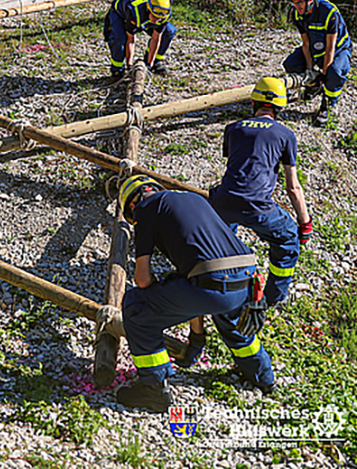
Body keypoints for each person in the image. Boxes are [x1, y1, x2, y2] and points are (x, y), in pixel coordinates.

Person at [115, 175, 274, 411]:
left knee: (136, 306)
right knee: (231, 319)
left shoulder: (146, 208)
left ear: (132, 205)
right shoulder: (192, 200)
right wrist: (196, 339)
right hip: (247, 280)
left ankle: (153, 389)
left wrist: (160, 286)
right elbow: (194, 279)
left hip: (212, 285)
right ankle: (263, 377)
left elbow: (143, 279)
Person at [209, 77, 312, 307]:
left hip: (223, 202)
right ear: (280, 108)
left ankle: (219, 282)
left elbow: (237, 168)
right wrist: (304, 223)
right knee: (287, 240)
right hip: (258, 207)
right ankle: (273, 299)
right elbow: (293, 187)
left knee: (221, 238)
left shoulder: (233, 128)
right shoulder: (285, 135)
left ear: (254, 103)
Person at [283, 0, 352, 127]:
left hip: (338, 49)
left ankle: (327, 105)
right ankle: (314, 86)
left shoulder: (329, 13)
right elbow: (306, 44)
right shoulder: (298, 14)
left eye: (299, 2)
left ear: (310, 0)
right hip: (315, 47)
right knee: (291, 64)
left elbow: (330, 48)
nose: (296, 6)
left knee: (335, 73)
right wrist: (309, 70)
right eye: (294, 3)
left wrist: (325, 73)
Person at [103, 0, 175, 78]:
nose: (157, 20)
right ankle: (117, 70)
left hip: (144, 16)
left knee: (169, 31)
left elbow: (156, 38)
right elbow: (131, 40)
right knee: (120, 38)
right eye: (155, 17)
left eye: (159, 19)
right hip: (119, 13)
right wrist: (129, 66)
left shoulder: (164, 15)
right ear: (148, 9)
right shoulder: (134, 10)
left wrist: (149, 64)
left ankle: (155, 62)